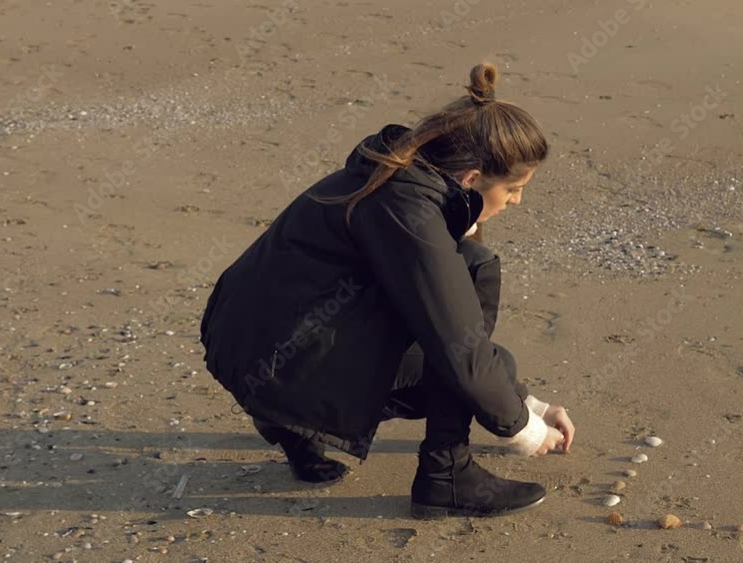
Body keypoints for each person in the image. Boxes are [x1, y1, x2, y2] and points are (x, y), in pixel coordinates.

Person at [200, 62, 575, 519]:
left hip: (246, 344)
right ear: (471, 178)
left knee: (472, 304)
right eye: (513, 188)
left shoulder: (396, 175)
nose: (517, 200)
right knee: (481, 327)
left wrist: (527, 402)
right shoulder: (412, 212)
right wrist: (524, 428)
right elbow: (457, 343)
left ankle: (291, 425)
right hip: (280, 363)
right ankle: (447, 475)